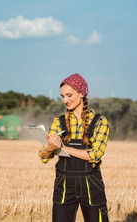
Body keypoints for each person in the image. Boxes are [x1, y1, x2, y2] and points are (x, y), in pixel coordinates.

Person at [39, 73, 110, 222]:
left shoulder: (100, 122)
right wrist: (50, 148)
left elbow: (95, 154)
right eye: (62, 96)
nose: (65, 100)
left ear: (81, 93)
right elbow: (44, 157)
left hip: (91, 183)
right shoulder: (58, 122)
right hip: (64, 183)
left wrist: (64, 147)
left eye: (69, 95)